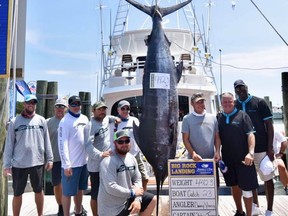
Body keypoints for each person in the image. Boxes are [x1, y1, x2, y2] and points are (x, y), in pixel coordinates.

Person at [3, 94, 53, 216]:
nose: (31, 104)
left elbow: (47, 140)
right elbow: (9, 144)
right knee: (17, 193)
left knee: (38, 190)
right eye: (28, 102)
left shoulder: (41, 120)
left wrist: (50, 159)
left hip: (37, 162)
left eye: (33, 102)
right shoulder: (15, 121)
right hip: (19, 164)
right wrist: (6, 164)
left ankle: (40, 214)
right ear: (24, 104)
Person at [234, 79, 274, 216]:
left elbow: (269, 125)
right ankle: (255, 206)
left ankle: (269, 210)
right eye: (237, 89)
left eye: (242, 87)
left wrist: (270, 148)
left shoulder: (260, 102)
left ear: (246, 87)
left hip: (262, 148)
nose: (240, 91)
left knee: (267, 178)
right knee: (251, 181)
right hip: (244, 151)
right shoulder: (235, 105)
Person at [98, 129, 156, 216]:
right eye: (120, 142)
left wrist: (137, 199)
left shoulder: (131, 158)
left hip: (127, 198)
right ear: (115, 143)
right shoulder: (107, 161)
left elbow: (137, 179)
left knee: (152, 200)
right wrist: (132, 192)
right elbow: (110, 187)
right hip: (111, 209)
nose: (124, 144)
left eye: (127, 141)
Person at [218, 92, 258, 216]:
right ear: (221, 103)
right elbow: (217, 137)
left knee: (246, 189)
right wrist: (217, 152)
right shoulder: (219, 117)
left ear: (234, 102)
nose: (227, 104)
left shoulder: (242, 115)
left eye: (230, 101)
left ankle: (249, 214)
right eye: (225, 101)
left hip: (244, 159)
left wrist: (250, 153)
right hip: (228, 159)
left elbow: (251, 134)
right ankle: (239, 212)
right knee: (234, 186)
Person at [84, 101, 120, 216]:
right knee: (95, 193)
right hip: (95, 166)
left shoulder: (105, 118)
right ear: (93, 111)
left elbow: (109, 117)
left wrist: (115, 118)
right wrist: (100, 154)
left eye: (104, 109)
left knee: (108, 191)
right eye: (99, 109)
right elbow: (88, 146)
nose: (102, 111)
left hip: (107, 163)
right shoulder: (90, 125)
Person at [58, 95, 89, 216]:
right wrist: (66, 165)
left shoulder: (85, 119)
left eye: (78, 104)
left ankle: (78, 211)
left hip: (84, 162)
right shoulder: (64, 121)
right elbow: (62, 143)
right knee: (67, 193)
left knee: (80, 189)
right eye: (74, 104)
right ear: (69, 106)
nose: (76, 106)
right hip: (71, 164)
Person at [111, 100, 150, 191]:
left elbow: (141, 135)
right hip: (122, 156)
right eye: (123, 108)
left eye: (127, 108)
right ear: (118, 110)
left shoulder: (135, 120)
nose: (125, 110)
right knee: (125, 180)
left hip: (136, 154)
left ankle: (142, 197)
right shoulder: (114, 122)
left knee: (145, 178)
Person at [181, 92, 221, 162]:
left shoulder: (213, 118)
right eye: (197, 102)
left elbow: (217, 137)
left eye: (202, 102)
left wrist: (217, 151)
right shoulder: (186, 119)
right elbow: (185, 139)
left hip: (211, 160)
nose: (200, 104)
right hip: (194, 160)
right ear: (192, 104)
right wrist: (193, 153)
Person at [46, 98, 68, 215]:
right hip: (55, 159)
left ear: (66, 108)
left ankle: (74, 206)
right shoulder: (47, 122)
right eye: (58, 106)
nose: (60, 109)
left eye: (62, 106)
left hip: (69, 160)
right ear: (54, 108)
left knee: (70, 185)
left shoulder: (70, 120)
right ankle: (60, 206)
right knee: (57, 185)